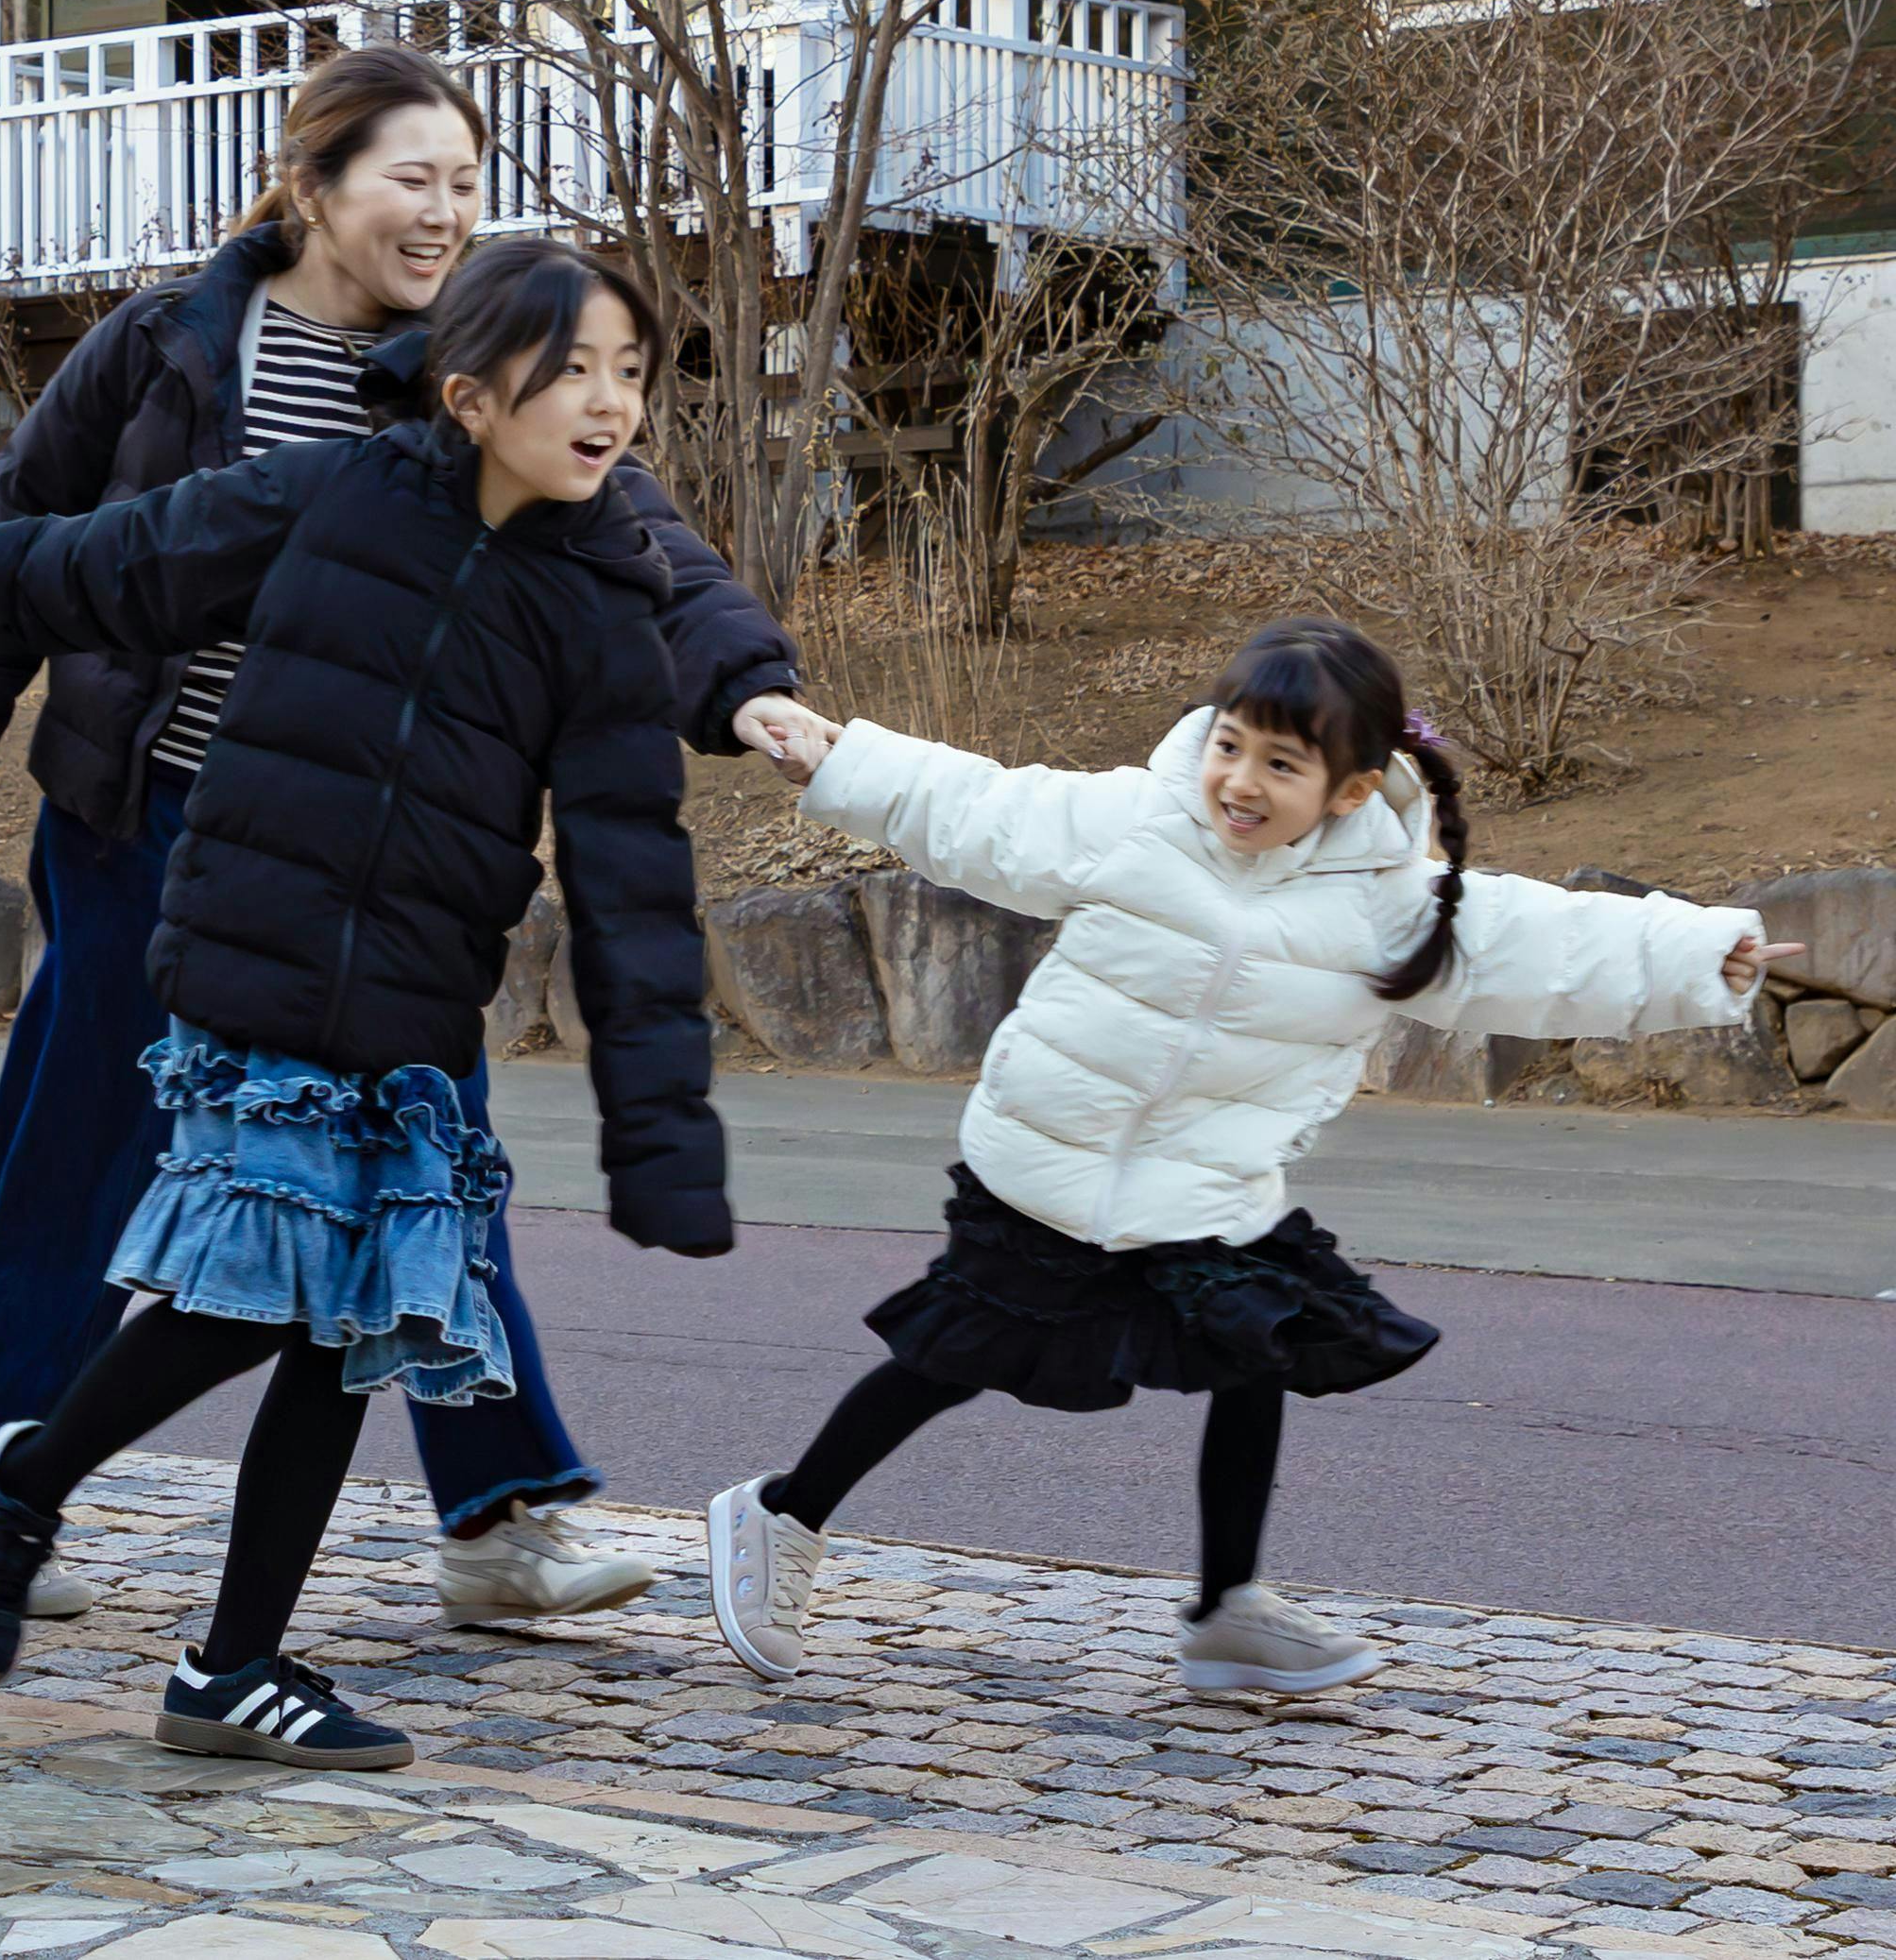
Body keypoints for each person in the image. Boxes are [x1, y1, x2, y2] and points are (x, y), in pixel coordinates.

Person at [0, 44, 816, 1625]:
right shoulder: (172, 339)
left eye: (465, 183)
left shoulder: (486, 352)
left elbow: (636, 532)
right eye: (411, 180)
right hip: (156, 819)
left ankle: (498, 1519)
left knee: (432, 1163)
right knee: (76, 1157)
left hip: (385, 855)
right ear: (314, 185)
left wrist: (748, 690)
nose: (444, 215)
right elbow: (50, 532)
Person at [712, 618, 1785, 1699]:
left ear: (1353, 788)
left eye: (1282, 763)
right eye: (1231, 744)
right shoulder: (1139, 821)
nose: (1241, 779)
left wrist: (1698, 948)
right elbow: (981, 808)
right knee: (956, 1355)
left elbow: (1542, 943)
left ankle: (1230, 1611)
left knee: (1254, 1349)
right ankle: (781, 1511)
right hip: (1049, 1157)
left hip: (1203, 1186)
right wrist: (840, 755)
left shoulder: (1392, 906)